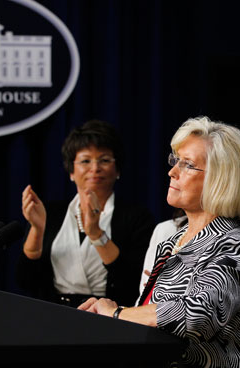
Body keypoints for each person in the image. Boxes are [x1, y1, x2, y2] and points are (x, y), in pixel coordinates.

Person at [79, 117, 240, 367]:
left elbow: (197, 315)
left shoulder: (234, 245)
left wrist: (117, 314)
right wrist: (107, 316)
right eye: (175, 160)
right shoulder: (172, 243)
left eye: (187, 164)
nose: (172, 171)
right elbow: (157, 320)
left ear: (221, 179)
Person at [16, 120, 155, 307]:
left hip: (110, 316)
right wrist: (37, 229)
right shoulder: (49, 213)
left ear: (118, 170)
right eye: (85, 160)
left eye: (105, 160)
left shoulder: (137, 217)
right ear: (71, 171)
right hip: (53, 314)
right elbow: (26, 281)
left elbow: (133, 281)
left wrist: (96, 234)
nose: (95, 168)